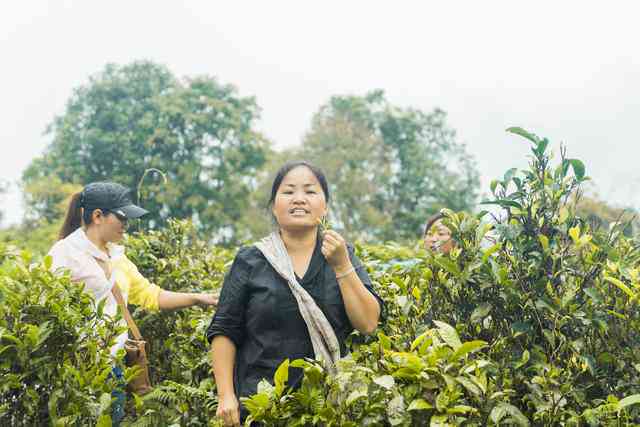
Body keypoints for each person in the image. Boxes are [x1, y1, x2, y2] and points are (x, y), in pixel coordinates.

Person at [207, 161, 384, 426]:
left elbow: (369, 323)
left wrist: (342, 265)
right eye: (289, 192)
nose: (299, 199)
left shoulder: (341, 253)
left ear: (324, 206)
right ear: (274, 206)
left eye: (310, 191)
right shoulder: (251, 260)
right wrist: (226, 396)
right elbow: (224, 330)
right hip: (263, 407)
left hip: (329, 408)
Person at [48, 182, 218, 426]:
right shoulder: (65, 253)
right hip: (76, 368)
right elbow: (45, 303)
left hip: (114, 367)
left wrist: (196, 297)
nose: (126, 225)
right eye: (122, 217)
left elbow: (151, 295)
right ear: (98, 216)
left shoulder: (118, 257)